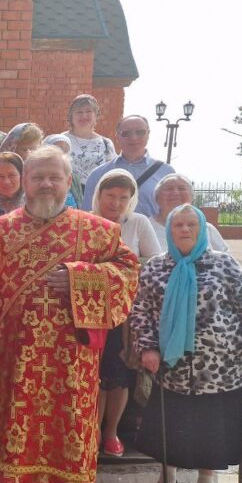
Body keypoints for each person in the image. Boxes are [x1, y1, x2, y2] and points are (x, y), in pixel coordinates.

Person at [0, 146, 139, 483]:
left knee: (71, 435)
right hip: (15, 358)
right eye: (38, 176)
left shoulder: (98, 231)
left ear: (69, 181)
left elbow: (128, 274)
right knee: (14, 428)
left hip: (73, 363)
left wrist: (82, 278)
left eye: (55, 177)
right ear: (26, 181)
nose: (46, 184)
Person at [132, 204, 242, 483]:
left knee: (213, 426)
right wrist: (148, 348)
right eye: (178, 224)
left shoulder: (224, 265)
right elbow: (141, 313)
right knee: (171, 423)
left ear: (202, 229)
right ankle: (166, 479)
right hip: (172, 367)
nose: (184, 230)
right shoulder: (155, 267)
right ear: (169, 230)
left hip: (221, 366)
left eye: (191, 224)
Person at [90, 168, 161, 457]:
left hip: (124, 313)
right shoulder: (87, 222)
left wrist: (122, 269)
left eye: (123, 197)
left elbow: (154, 262)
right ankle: (91, 432)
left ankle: (111, 432)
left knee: (118, 374)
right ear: (99, 196)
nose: (116, 203)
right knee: (93, 374)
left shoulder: (138, 223)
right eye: (110, 196)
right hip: (91, 310)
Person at [82, 115, 174, 215]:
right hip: (109, 230)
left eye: (140, 132)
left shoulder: (166, 173)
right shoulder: (98, 174)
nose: (133, 137)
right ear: (117, 137)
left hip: (150, 231)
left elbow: (174, 214)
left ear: (148, 134)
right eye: (126, 133)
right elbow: (87, 215)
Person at [149, 174, 230, 253]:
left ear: (191, 198)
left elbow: (228, 261)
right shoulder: (146, 227)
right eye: (169, 188)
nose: (176, 193)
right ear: (157, 198)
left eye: (181, 188)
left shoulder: (207, 228)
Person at [65, 95, 116, 185]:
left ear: (96, 115)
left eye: (89, 111)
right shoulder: (61, 141)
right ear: (71, 116)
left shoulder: (106, 144)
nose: (84, 116)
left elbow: (112, 175)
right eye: (79, 112)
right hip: (67, 196)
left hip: (96, 196)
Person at [43, 134, 84, 205]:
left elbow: (80, 200)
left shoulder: (73, 175)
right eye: (58, 148)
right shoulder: (39, 172)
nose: (63, 153)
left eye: (66, 150)